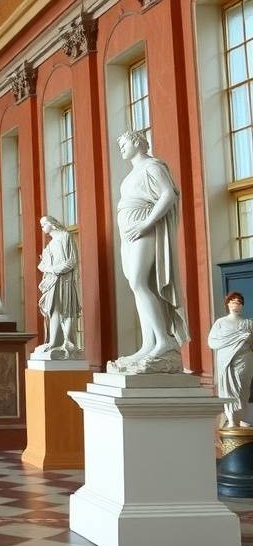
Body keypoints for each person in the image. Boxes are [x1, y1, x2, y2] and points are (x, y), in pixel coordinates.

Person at [108, 129, 189, 373]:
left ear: (136, 142)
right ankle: (149, 343)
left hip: (145, 229)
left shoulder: (152, 167)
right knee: (139, 286)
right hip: (130, 235)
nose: (120, 148)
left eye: (123, 143)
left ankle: (164, 341)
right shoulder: (132, 174)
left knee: (139, 283)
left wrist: (146, 223)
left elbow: (168, 195)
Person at [35, 216, 83, 359]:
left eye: (44, 224)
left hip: (65, 281)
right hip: (53, 281)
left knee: (66, 309)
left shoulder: (66, 237)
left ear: (52, 224)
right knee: (53, 309)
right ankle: (53, 342)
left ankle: (67, 342)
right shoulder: (49, 245)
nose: (42, 227)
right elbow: (43, 265)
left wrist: (52, 269)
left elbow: (72, 261)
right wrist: (46, 266)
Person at [208, 292, 253, 427]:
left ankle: (243, 416)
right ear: (227, 304)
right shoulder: (220, 323)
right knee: (228, 390)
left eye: (239, 302)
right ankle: (232, 419)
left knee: (243, 389)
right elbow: (212, 343)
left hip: (244, 359)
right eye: (232, 301)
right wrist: (236, 339)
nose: (236, 304)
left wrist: (247, 339)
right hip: (226, 361)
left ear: (242, 305)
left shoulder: (248, 323)